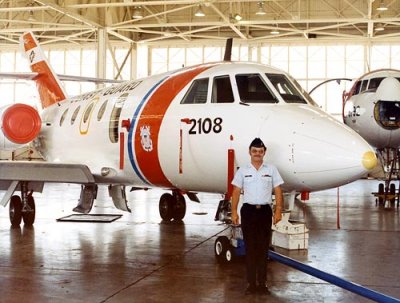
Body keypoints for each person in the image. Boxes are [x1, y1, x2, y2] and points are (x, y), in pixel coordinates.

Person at [231, 137, 284, 295]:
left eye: (260, 151)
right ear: (250, 152)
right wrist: (234, 211)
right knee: (250, 248)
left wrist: (278, 210)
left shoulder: (271, 169)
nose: (257, 154)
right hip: (248, 212)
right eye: (254, 151)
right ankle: (251, 284)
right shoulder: (243, 170)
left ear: (264, 152)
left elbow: (278, 190)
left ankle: (262, 284)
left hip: (265, 212)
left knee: (262, 249)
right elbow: (235, 191)